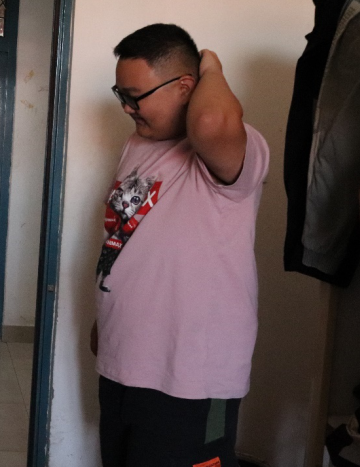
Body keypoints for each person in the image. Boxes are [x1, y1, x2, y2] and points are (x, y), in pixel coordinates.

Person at [92, 24, 269, 466]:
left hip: (191, 381)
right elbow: (126, 236)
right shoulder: (137, 145)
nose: (127, 107)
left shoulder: (234, 149)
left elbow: (209, 121)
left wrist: (211, 63)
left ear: (186, 86)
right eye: (121, 94)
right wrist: (108, 319)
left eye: (136, 96)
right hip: (124, 367)